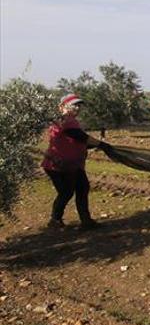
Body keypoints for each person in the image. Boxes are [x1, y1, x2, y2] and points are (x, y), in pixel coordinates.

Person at [41, 94, 110, 230]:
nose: (77, 108)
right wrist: (101, 144)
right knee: (66, 192)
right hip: (58, 166)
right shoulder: (64, 121)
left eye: (79, 105)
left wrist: (97, 145)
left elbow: (77, 139)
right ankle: (55, 220)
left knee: (82, 188)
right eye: (74, 105)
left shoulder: (70, 121)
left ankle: (86, 221)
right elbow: (79, 136)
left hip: (73, 165)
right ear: (62, 107)